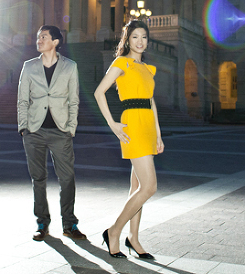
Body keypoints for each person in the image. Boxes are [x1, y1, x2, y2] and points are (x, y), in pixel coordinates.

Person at [94, 19, 164, 259]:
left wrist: (158, 134)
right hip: (132, 124)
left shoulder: (148, 68)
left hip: (147, 125)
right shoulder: (121, 62)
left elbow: (151, 101)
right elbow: (99, 92)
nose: (140, 41)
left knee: (137, 187)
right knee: (149, 187)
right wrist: (112, 123)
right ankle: (114, 231)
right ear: (127, 40)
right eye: (135, 37)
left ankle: (133, 238)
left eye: (144, 37)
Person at [17, 25, 86, 241]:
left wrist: (71, 127)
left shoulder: (70, 67)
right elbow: (22, 99)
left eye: (44, 37)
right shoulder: (29, 66)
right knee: (38, 178)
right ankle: (42, 223)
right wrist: (23, 127)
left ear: (55, 42)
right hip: (34, 131)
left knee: (67, 178)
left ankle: (69, 223)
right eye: (38, 37)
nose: (39, 40)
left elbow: (74, 100)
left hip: (60, 130)